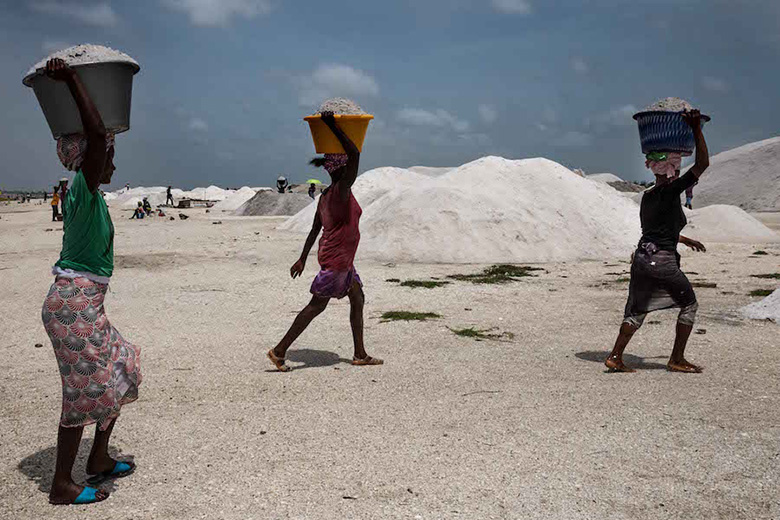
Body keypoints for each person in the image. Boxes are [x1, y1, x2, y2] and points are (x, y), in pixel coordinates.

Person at [40, 58, 141, 506]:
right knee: (84, 390)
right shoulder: (81, 188)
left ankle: (98, 458)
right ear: (87, 159)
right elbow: (99, 136)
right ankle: (62, 485)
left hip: (85, 303)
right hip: (71, 305)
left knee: (122, 367)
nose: (112, 161)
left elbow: (99, 141)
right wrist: (73, 80)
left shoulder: (93, 198)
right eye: (107, 155)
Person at [267, 111, 382, 372]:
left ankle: (360, 354)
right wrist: (332, 125)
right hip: (337, 261)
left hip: (341, 260)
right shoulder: (341, 191)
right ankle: (279, 350)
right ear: (341, 168)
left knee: (358, 297)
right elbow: (355, 155)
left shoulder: (325, 196)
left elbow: (313, 230)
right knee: (316, 306)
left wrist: (301, 257)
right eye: (346, 166)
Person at [606, 110, 710, 373]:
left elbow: (655, 230)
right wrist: (696, 128)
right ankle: (676, 358)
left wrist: (683, 239)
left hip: (641, 258)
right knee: (689, 304)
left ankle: (615, 357)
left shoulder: (649, 195)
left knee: (637, 310)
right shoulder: (671, 190)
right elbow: (702, 165)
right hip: (661, 261)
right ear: (674, 166)